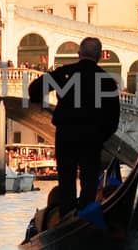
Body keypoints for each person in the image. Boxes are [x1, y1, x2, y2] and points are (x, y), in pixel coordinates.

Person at [28, 36, 121, 214]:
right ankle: (86, 215)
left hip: (66, 134)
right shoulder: (107, 81)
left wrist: (37, 101)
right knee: (89, 181)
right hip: (92, 138)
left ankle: (67, 215)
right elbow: (113, 119)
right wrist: (100, 137)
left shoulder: (65, 73)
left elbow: (34, 89)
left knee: (66, 179)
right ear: (99, 56)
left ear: (79, 54)